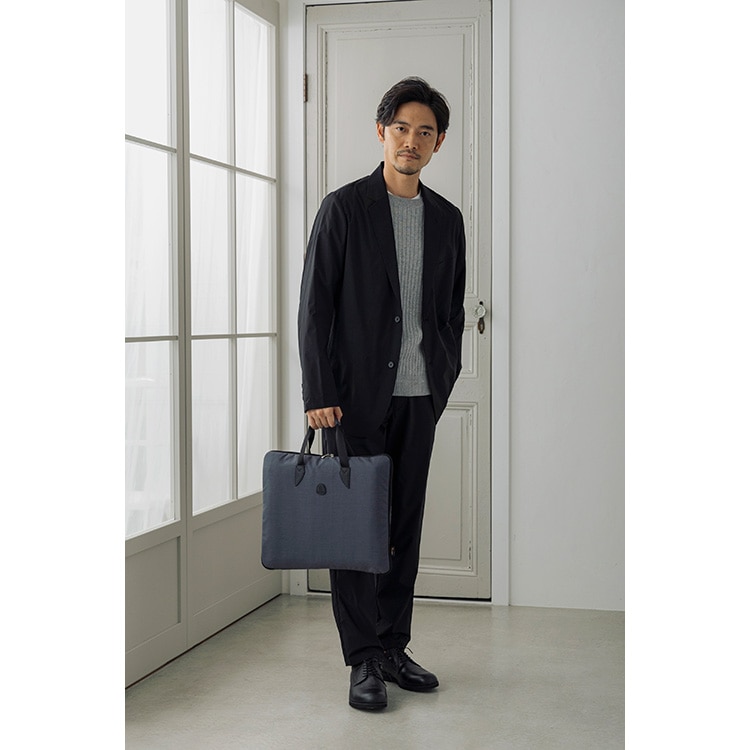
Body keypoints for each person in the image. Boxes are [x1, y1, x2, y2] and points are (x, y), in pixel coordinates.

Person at [298, 77, 466, 711]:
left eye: (425, 132)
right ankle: (362, 658)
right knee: (354, 531)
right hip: (351, 401)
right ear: (381, 132)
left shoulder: (447, 219)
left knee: (403, 527)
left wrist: (442, 378)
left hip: (419, 399)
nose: (411, 141)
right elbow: (314, 307)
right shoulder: (344, 208)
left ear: (438, 143)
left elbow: (450, 313)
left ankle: (394, 646)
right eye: (401, 128)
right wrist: (319, 390)